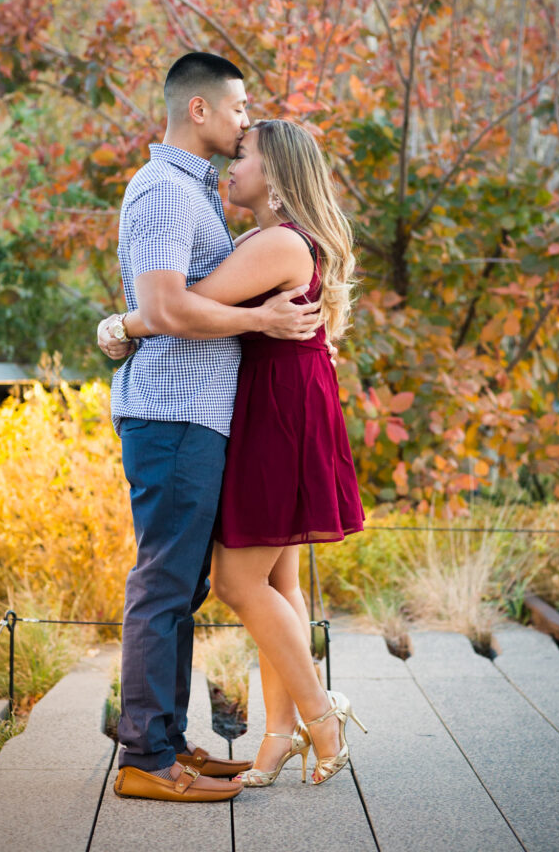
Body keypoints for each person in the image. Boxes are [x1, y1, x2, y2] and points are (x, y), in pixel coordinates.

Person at [102, 118, 366, 788]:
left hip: (275, 413)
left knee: (237, 583)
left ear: (275, 176)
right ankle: (277, 740)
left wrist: (119, 324)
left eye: (244, 156)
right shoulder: (269, 238)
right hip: (279, 404)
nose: (231, 167)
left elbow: (182, 307)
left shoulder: (277, 241)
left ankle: (321, 715)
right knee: (280, 583)